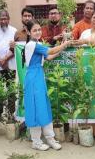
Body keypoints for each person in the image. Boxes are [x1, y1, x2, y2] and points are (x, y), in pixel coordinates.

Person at [22, 20, 71, 151]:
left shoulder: (36, 44)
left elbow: (48, 57)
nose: (38, 32)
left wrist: (63, 47)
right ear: (28, 32)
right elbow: (50, 51)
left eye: (39, 29)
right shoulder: (31, 45)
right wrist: (64, 44)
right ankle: (36, 142)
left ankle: (50, 138)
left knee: (43, 106)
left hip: (38, 76)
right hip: (33, 78)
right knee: (35, 108)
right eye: (34, 30)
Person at [0, 10, 17, 79]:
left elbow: (16, 48)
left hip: (10, 65)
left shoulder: (14, 31)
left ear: (9, 19)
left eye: (5, 19)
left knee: (10, 87)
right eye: (1, 19)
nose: (3, 21)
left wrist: (5, 59)